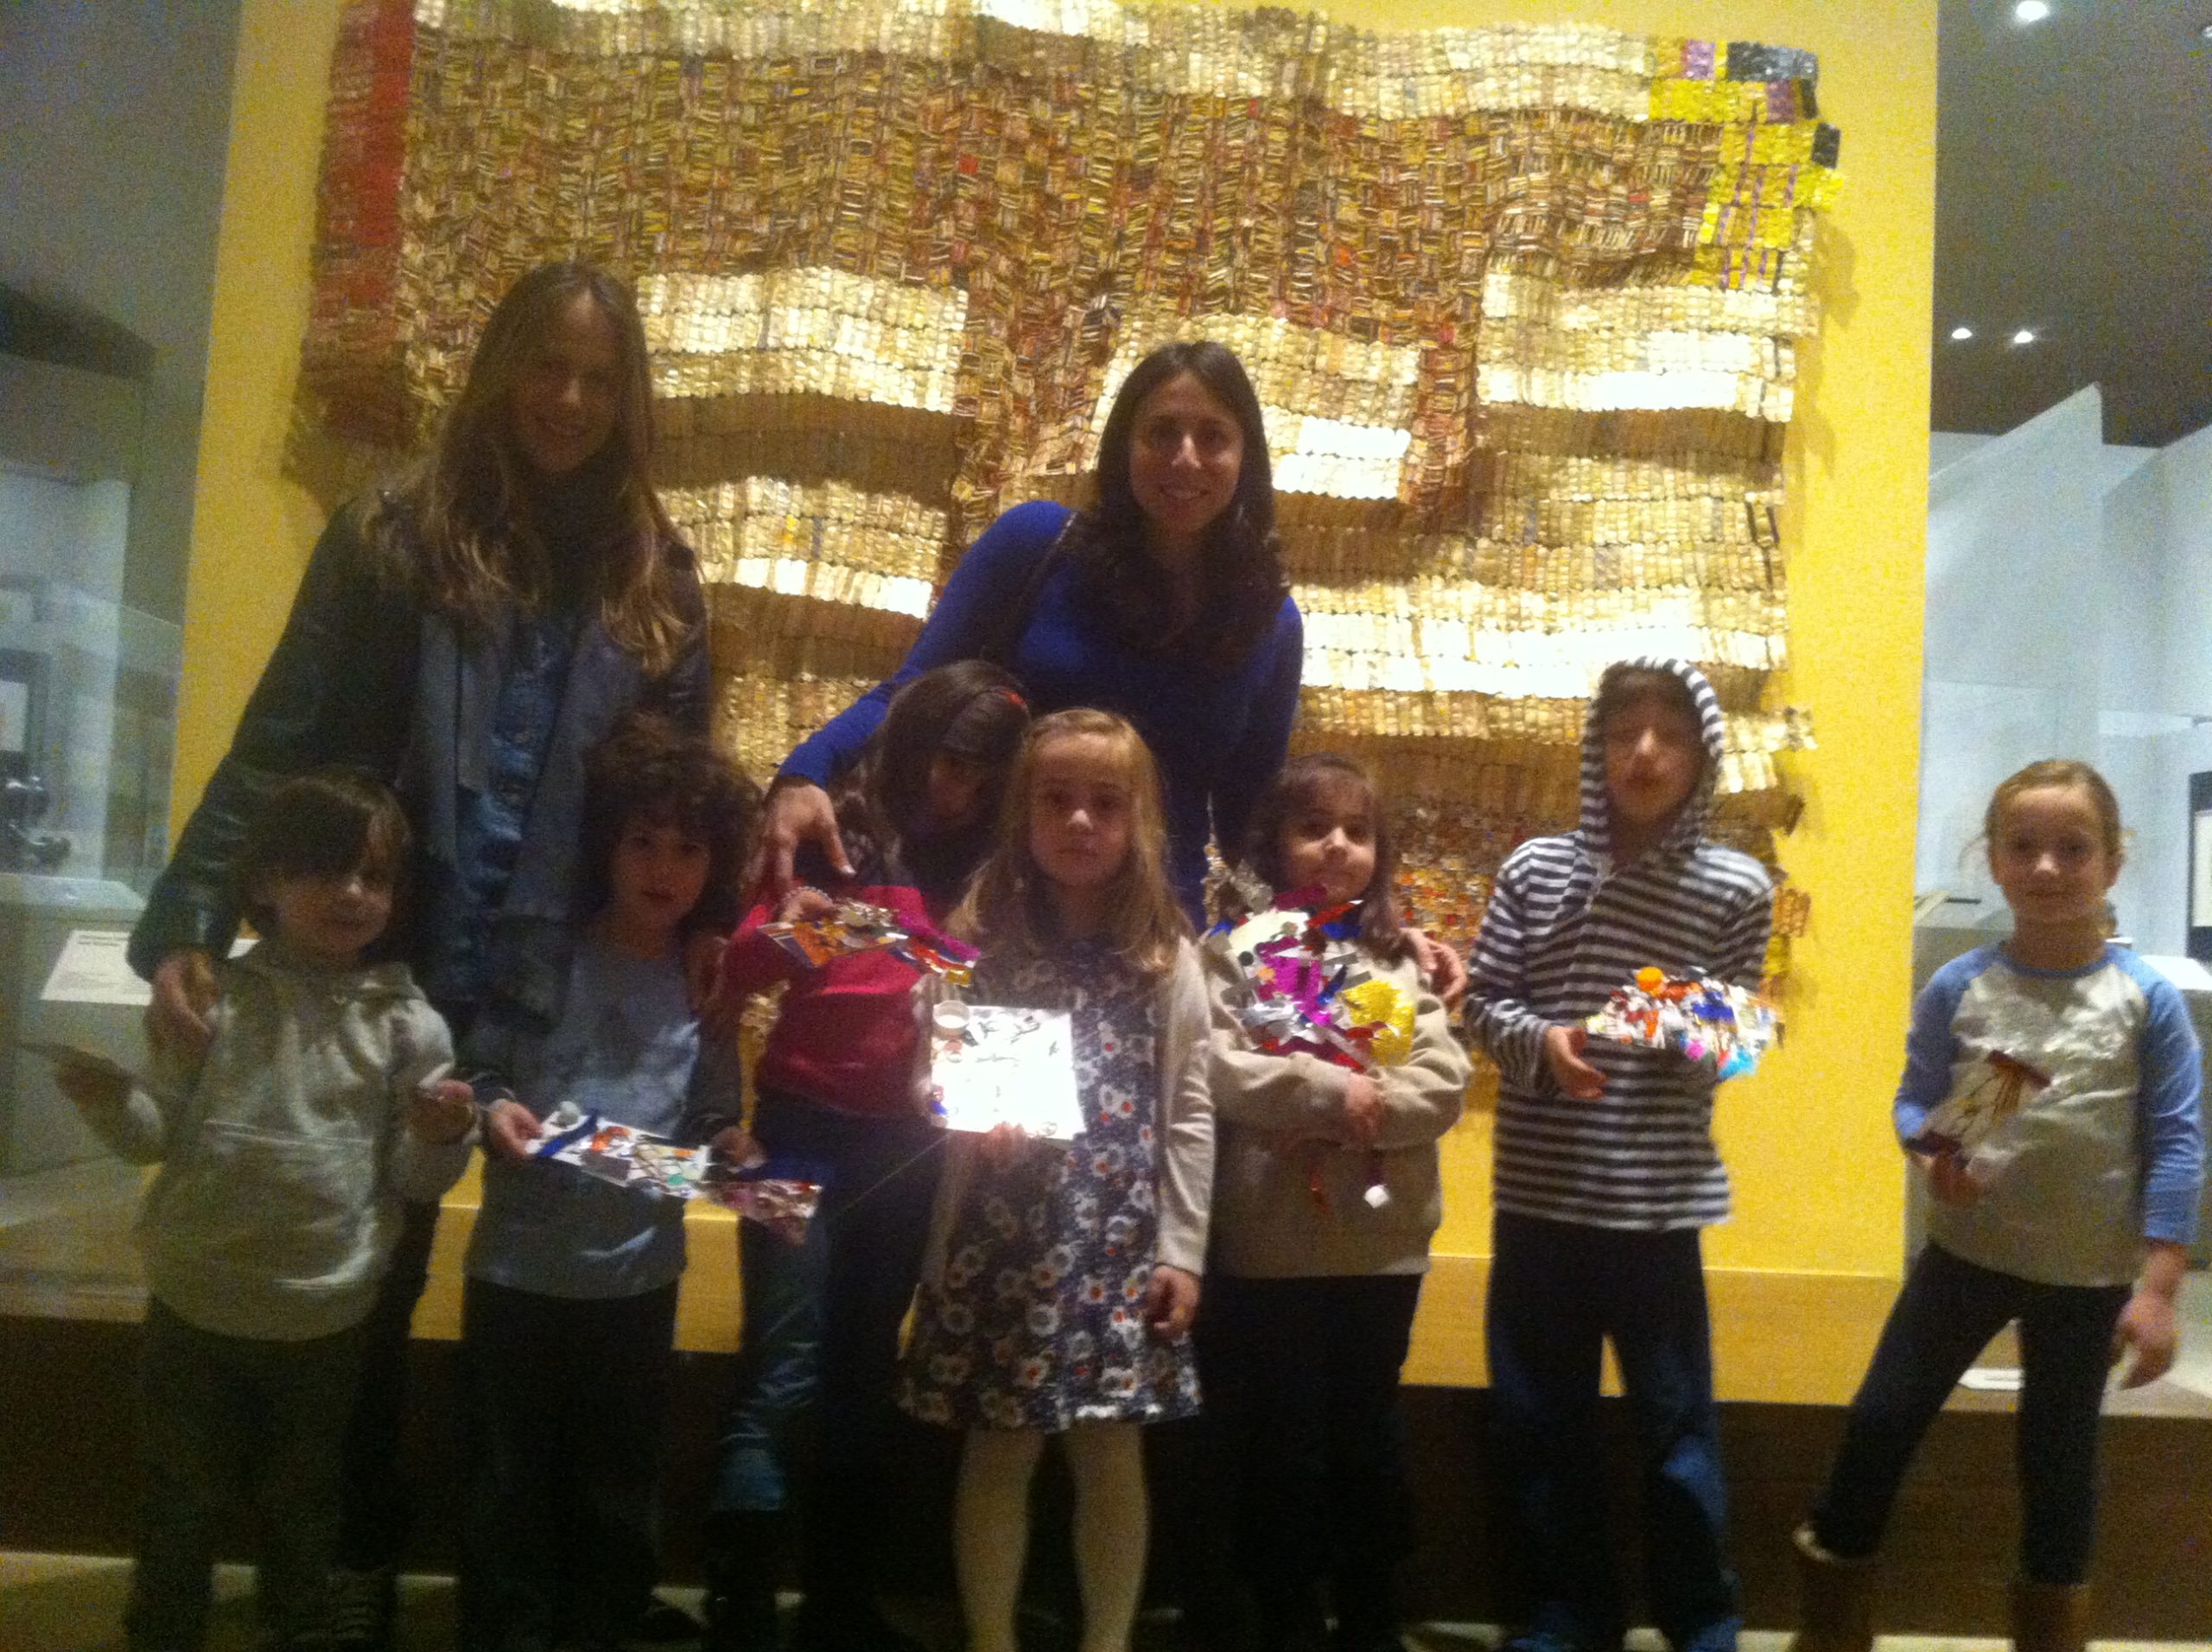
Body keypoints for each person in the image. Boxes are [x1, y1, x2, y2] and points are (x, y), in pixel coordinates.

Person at [125, 261, 715, 1650]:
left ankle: (554, 1584)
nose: (567, 399)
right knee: (363, 1280)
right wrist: (192, 918)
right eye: (546, 365)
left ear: (629, 398)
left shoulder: (658, 576)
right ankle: (344, 1568)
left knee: (568, 1286)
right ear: (502, 366)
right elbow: (282, 732)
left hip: (566, 982)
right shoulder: (393, 530)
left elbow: (677, 791)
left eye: (598, 377)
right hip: (384, 956)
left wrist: (710, 927)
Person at [54, 768, 474, 1652]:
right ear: (265, 882)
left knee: (305, 1503)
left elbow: (414, 1180)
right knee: (177, 1497)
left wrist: (441, 1136)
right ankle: (164, 1629)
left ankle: (298, 1626)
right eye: (325, 868)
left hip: (324, 1316)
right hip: (193, 1303)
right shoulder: (213, 999)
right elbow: (154, 1137)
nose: (352, 892)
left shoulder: (408, 1025)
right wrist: (109, 1101)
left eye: (373, 875)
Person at [1788, 759, 2203, 1652]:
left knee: (2058, 1468)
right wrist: (1934, 1153)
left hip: (2086, 1280)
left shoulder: (2147, 1001)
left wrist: (2159, 1288)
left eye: (2072, 848)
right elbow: (1915, 1103)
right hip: (1962, 1260)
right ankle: (1829, 1630)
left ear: (2113, 862)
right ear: (1993, 860)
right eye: (2023, 847)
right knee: (1878, 1424)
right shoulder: (1960, 985)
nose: (2046, 866)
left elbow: (2176, 1143)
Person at [750, 340, 1300, 931]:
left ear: (1246, 457)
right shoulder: (1037, 544)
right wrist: (805, 772)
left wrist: (1323, 915)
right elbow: (912, 694)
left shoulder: (1271, 623)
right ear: (1124, 446)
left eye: (1213, 437)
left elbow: (1251, 822)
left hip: (1151, 930)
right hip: (989, 905)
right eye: (1162, 433)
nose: (1185, 458)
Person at [703, 660, 1031, 1652]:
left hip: (909, 1148)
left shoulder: (997, 876)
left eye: (973, 772)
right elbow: (737, 968)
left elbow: (999, 1009)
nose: (948, 787)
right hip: (795, 1131)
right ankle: (741, 1608)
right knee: (781, 1369)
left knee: (862, 1370)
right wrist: (798, 935)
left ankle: (838, 1606)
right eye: (936, 760)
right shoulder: (836, 837)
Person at [1464, 658, 1774, 1652]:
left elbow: (1734, 1041)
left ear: (1702, 753)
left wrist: (1661, 1012)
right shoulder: (1534, 869)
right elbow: (1483, 1003)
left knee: (1675, 1423)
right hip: (1539, 1199)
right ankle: (1569, 1608)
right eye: (1623, 731)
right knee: (1539, 1418)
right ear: (1596, 748)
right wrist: (1543, 1042)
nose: (1644, 752)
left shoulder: (1735, 885)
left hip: (1654, 1204)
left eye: (1669, 734)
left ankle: (1700, 1612)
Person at [897, 708, 1214, 1652]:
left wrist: (1183, 1250)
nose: (1080, 821)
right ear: (1022, 813)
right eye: (1057, 799)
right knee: (998, 1451)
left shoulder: (1165, 957)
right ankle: (990, 1639)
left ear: (1137, 821)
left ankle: (1105, 1641)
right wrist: (960, 1107)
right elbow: (929, 1074)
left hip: (1119, 1250)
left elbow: (1191, 1111)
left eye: (1105, 804)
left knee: (1111, 1456)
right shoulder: (977, 945)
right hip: (1002, 1242)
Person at [455, 712, 756, 1651]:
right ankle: (507, 1629)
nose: (663, 868)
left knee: (620, 1475)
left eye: (688, 849)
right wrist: (491, 1109)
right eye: (642, 842)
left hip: (637, 1279)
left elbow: (710, 1115)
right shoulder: (544, 953)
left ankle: (605, 1622)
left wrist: (732, 1147)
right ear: (605, 846)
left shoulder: (705, 984)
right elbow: (485, 1069)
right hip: (516, 1270)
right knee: (507, 1473)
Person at [1198, 753, 1471, 1652]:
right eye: (1313, 828)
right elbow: (1221, 1067)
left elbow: (1441, 1083)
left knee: (1366, 1434)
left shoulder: (1397, 960)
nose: (1336, 846)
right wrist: (1324, 1089)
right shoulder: (1236, 951)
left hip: (1379, 1248)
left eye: (1357, 831)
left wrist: (1359, 1113)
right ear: (1274, 844)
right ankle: (1284, 1613)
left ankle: (1369, 1611)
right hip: (1269, 1245)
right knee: (1281, 1443)